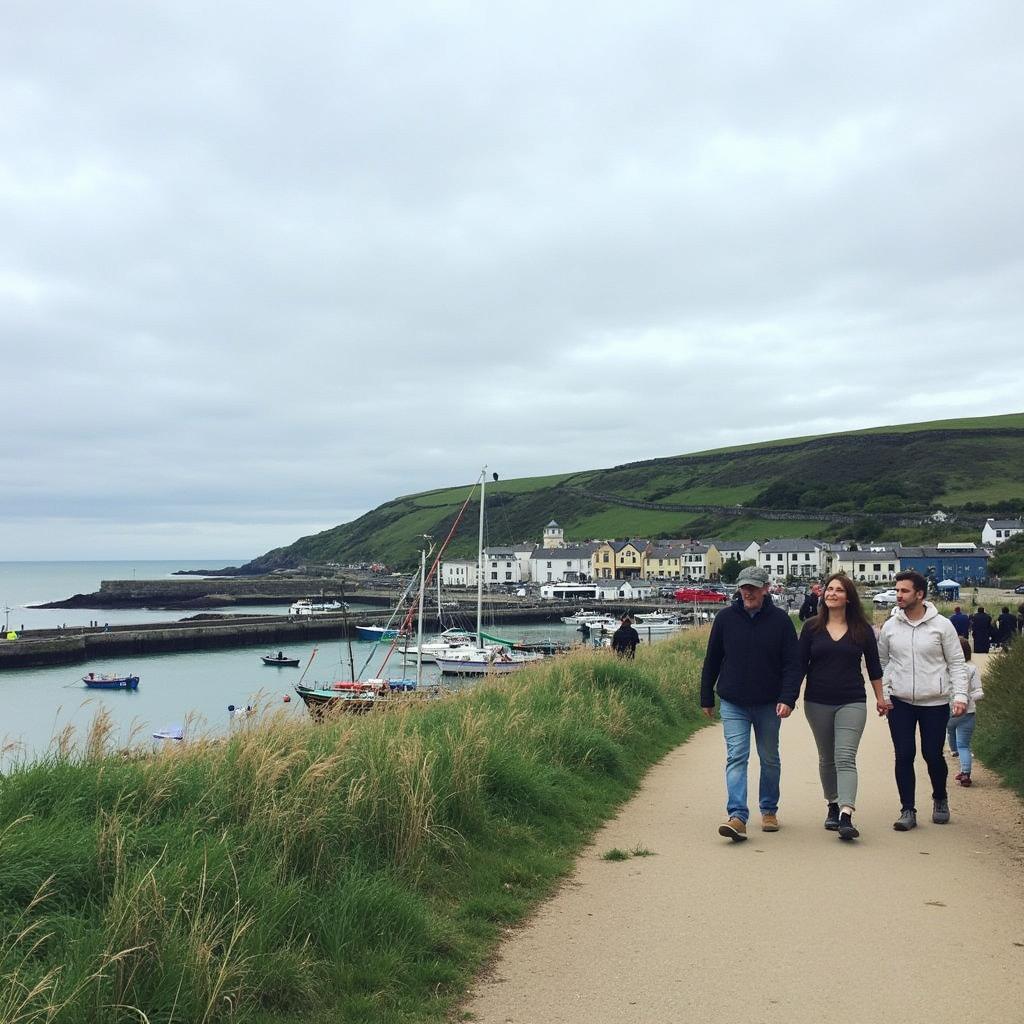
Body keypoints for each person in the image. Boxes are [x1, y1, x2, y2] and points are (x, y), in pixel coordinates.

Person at [700, 565, 801, 842]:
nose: (748, 592)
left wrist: (788, 698)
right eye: (744, 587)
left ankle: (768, 810)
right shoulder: (725, 619)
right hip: (734, 702)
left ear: (765, 589)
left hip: (770, 703)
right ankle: (737, 816)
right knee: (737, 756)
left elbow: (793, 665)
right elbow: (712, 660)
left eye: (753, 588)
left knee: (769, 758)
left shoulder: (780, 621)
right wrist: (706, 696)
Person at [878, 571, 968, 831]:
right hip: (901, 701)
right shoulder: (891, 627)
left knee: (932, 754)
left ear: (920, 594)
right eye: (897, 590)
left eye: (904, 591)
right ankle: (907, 809)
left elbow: (957, 663)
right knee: (904, 754)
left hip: (935, 701)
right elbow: (882, 662)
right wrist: (885, 692)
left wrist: (960, 695)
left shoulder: (942, 625)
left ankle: (940, 798)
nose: (898, 596)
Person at [799, 574, 886, 842]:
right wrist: (787, 698)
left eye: (839, 590)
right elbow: (798, 666)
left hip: (852, 700)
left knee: (845, 756)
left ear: (848, 597)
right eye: (829, 589)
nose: (832, 593)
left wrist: (880, 698)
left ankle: (847, 814)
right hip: (817, 701)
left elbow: (874, 668)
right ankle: (833, 805)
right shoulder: (811, 628)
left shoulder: (862, 629)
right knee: (827, 757)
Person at [946, 638, 984, 787]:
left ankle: (953, 750)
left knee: (950, 731)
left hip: (950, 709)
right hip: (968, 712)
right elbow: (979, 692)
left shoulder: (948, 668)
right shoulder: (972, 668)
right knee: (965, 745)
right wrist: (968, 699)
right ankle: (966, 773)